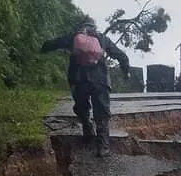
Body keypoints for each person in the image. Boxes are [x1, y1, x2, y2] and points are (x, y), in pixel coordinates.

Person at [41, 20, 130, 157]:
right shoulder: (102, 38)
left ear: (80, 27)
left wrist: (41, 49)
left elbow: (52, 44)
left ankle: (87, 128)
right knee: (102, 111)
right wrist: (125, 71)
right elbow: (121, 55)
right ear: (94, 28)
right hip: (100, 80)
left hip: (78, 79)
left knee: (81, 107)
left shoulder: (73, 37)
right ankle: (103, 145)